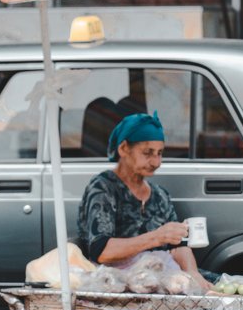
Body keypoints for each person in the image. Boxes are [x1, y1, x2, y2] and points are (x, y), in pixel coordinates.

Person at [76, 112, 211, 291]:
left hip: (161, 279)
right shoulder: (104, 188)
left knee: (221, 284)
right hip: (116, 283)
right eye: (148, 153)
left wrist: (192, 272)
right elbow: (102, 252)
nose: (156, 162)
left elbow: (178, 246)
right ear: (124, 148)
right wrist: (157, 237)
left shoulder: (160, 195)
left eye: (160, 153)